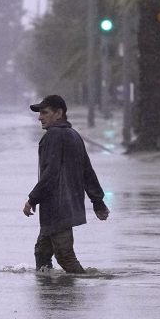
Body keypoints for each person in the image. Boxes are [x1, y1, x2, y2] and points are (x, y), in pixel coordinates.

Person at [22, 95, 110, 274]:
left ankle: (73, 297)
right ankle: (51, 294)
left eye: (45, 112)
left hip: (57, 207)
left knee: (64, 255)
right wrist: (98, 202)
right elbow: (88, 171)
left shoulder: (53, 135)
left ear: (59, 113)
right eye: (40, 113)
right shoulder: (74, 135)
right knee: (42, 252)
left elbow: (50, 173)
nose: (40, 117)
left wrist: (32, 199)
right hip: (68, 205)